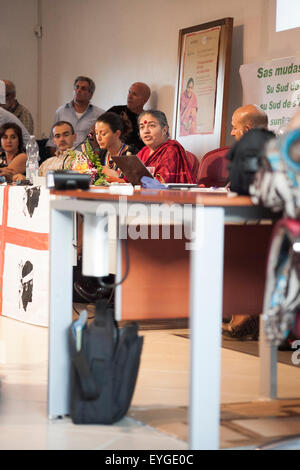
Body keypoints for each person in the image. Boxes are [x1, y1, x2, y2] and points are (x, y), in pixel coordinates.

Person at [222, 104, 269, 340]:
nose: (232, 133)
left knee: (230, 240)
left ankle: (244, 314)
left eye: (234, 128)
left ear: (247, 130)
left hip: (267, 226)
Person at [137, 110, 195, 184]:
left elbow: (163, 181)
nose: (146, 131)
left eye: (151, 126)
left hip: (166, 194)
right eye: (142, 127)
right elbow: (129, 177)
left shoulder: (171, 150)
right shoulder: (144, 152)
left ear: (164, 130)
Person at [47, 76, 104, 151]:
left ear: (91, 94)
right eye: (77, 87)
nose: (78, 90)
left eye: (83, 88)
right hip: (63, 158)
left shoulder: (99, 115)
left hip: (87, 159)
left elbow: (103, 143)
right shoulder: (61, 112)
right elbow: (52, 142)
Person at [94, 112, 139, 183]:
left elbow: (138, 182)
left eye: (103, 134)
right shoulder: (102, 154)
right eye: (96, 133)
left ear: (117, 134)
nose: (98, 138)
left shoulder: (132, 154)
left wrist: (119, 180)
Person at [108, 82, 151, 151]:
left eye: (134, 94)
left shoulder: (148, 119)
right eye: (129, 92)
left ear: (145, 99)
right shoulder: (115, 111)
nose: (129, 96)